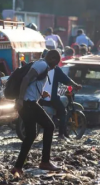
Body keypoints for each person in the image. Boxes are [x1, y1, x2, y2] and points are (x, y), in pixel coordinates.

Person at [12, 50, 63, 178]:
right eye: (55, 63)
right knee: (50, 126)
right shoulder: (42, 65)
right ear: (51, 58)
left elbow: (32, 84)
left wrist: (41, 94)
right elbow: (26, 79)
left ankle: (17, 167)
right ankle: (45, 162)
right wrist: (20, 99)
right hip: (28, 103)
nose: (55, 67)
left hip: (28, 102)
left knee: (31, 135)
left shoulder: (40, 65)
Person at [39, 50, 82, 141]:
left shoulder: (38, 65)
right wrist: (76, 85)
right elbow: (66, 80)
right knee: (63, 112)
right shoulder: (55, 68)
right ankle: (61, 134)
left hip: (38, 96)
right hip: (51, 97)